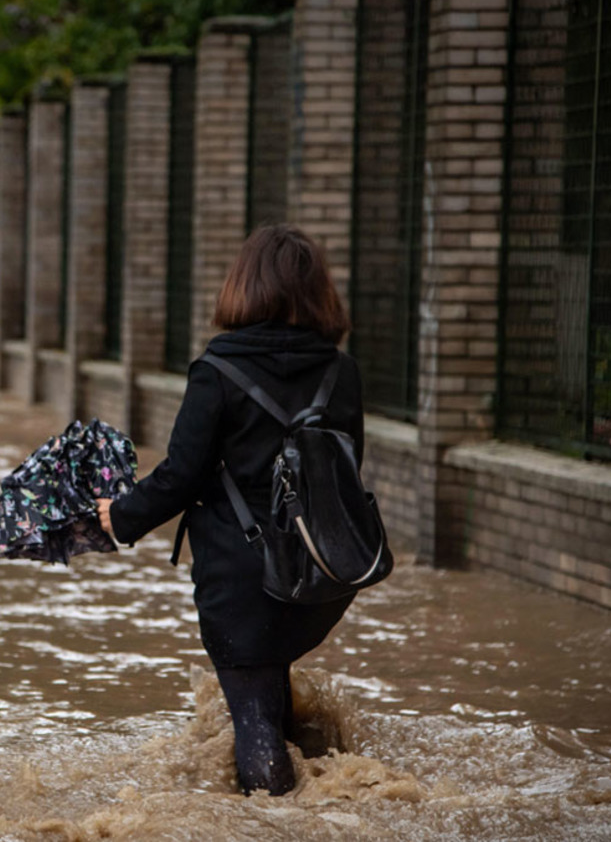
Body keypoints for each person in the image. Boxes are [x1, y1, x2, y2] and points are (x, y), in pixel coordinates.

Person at [96, 224, 363, 797]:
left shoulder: (217, 370)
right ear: (319, 291)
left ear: (244, 285)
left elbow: (181, 473)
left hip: (241, 574)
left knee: (255, 723)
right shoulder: (342, 373)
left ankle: (272, 827)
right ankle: (318, 815)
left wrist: (120, 517)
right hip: (322, 573)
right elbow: (345, 472)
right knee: (273, 689)